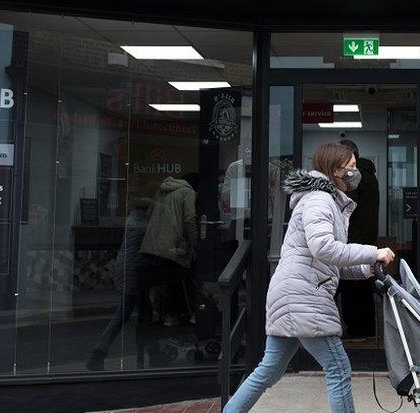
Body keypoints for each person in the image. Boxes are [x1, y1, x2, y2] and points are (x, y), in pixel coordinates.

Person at [223, 142, 396, 413]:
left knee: (268, 371)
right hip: (305, 295)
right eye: (350, 168)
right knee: (338, 368)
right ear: (334, 169)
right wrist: (373, 251)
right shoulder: (320, 200)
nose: (354, 172)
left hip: (295, 292)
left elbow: (329, 262)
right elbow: (324, 248)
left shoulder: (327, 201)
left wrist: (367, 266)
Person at [136, 173, 200, 360]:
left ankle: (163, 315)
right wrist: (194, 242)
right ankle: (183, 314)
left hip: (151, 244)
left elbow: (149, 215)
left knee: (163, 281)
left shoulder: (162, 190)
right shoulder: (187, 192)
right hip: (171, 246)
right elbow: (189, 219)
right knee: (182, 278)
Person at [86, 197, 151, 370]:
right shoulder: (142, 224)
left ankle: (153, 350)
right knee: (124, 312)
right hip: (132, 268)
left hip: (126, 265)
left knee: (144, 311)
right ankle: (98, 353)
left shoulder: (133, 218)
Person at [337, 139, 380, 338]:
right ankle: (366, 329)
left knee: (351, 290)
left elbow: (345, 206)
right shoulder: (371, 177)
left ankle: (357, 330)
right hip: (366, 238)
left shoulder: (355, 179)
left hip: (353, 239)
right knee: (363, 288)